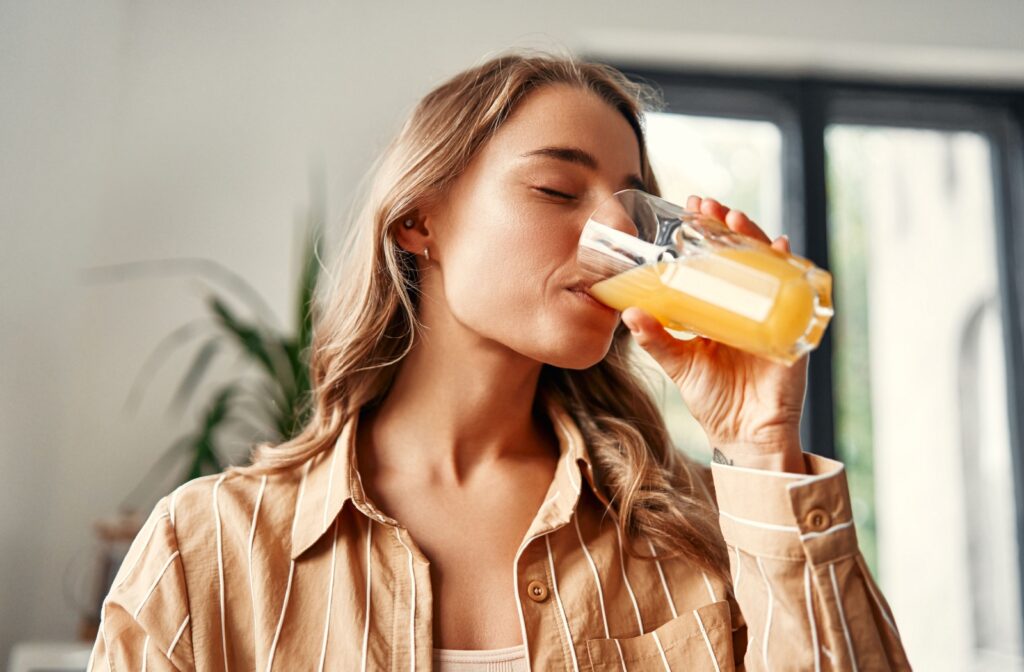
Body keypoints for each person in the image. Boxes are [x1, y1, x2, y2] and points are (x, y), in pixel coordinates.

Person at [87, 50, 910, 671]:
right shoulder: (208, 551)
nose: (610, 238)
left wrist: (765, 446)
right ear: (419, 221)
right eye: (557, 191)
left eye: (630, 203)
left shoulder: (702, 532)